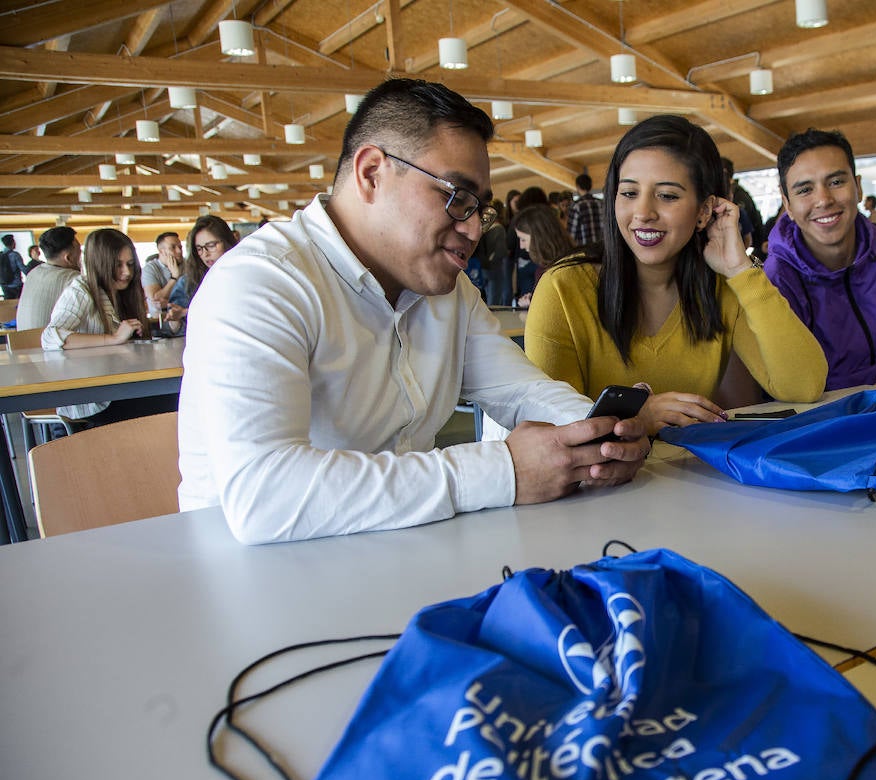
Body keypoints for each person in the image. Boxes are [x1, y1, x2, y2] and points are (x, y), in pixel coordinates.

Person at [176, 78, 648, 545]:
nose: (472, 230)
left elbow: (524, 391)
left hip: (400, 551)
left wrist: (599, 436)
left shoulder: (450, 293)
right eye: (456, 198)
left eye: (479, 210)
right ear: (371, 174)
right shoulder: (261, 282)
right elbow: (266, 498)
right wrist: (502, 471)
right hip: (258, 581)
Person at [525, 114, 826, 435]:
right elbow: (549, 431)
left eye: (667, 196)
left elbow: (803, 385)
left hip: (696, 479)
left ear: (704, 211)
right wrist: (638, 419)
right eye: (628, 193)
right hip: (599, 484)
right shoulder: (563, 288)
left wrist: (741, 270)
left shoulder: (725, 286)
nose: (643, 213)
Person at [765, 128, 876, 389]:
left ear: (858, 188)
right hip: (824, 418)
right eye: (805, 190)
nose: (823, 200)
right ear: (787, 204)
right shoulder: (777, 277)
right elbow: (789, 383)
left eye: (836, 182)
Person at [42, 228, 176, 426]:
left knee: (178, 395)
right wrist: (113, 339)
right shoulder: (81, 289)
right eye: (118, 265)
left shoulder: (123, 293)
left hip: (118, 390)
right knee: (176, 400)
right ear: (100, 264)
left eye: (130, 264)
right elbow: (51, 336)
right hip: (94, 402)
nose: (127, 272)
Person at [168, 214, 237, 326]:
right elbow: (173, 327)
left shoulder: (243, 274)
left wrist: (186, 312)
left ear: (226, 242)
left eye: (211, 245)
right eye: (199, 248)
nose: (205, 254)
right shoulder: (187, 282)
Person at [16, 226, 81, 330]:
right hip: (48, 344)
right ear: (68, 258)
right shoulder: (73, 279)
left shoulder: (33, 272)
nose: (81, 257)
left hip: (23, 342)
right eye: (79, 251)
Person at [511, 204, 572, 307]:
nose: (521, 246)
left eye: (523, 239)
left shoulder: (549, 271)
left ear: (538, 238)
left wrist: (534, 302)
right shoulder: (567, 261)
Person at [475, 200, 509, 308]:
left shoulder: (483, 228)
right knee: (494, 301)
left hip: (483, 267)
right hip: (495, 268)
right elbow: (501, 251)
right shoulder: (499, 229)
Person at [141, 231, 183, 308]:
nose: (179, 251)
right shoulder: (149, 269)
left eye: (180, 247)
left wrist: (168, 302)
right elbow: (156, 299)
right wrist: (174, 277)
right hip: (159, 318)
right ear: (161, 251)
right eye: (173, 247)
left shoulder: (187, 265)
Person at [567, 173, 604, 247]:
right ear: (590, 185)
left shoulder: (576, 206)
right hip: (603, 247)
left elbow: (571, 234)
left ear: (577, 186)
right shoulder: (601, 203)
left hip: (585, 250)